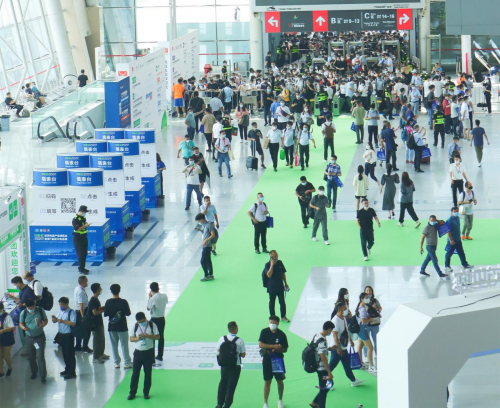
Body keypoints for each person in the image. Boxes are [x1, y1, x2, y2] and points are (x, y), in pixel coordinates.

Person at [328, 302, 365, 387]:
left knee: (347, 365)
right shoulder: (335, 320)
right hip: (337, 349)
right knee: (331, 366)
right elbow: (335, 335)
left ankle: (353, 380)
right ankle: (326, 382)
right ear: (340, 309)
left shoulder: (343, 318)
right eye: (345, 308)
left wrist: (350, 340)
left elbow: (346, 330)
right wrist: (338, 347)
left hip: (343, 347)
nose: (346, 310)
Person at [127, 312, 160, 400]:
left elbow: (158, 337)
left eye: (141, 321)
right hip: (138, 353)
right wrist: (138, 338)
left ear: (145, 318)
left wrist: (148, 336)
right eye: (139, 322)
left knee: (148, 374)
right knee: (135, 374)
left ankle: (146, 393)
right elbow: (131, 339)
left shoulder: (152, 325)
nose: (140, 323)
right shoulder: (135, 326)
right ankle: (132, 392)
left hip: (148, 352)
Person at [258, 316, 289, 408]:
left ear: (278, 323)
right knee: (267, 381)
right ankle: (265, 403)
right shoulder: (264, 332)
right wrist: (273, 346)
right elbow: (260, 344)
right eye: (271, 322)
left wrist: (278, 349)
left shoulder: (282, 334)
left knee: (280, 381)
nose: (272, 324)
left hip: (278, 360)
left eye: (274, 323)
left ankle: (280, 400)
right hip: (267, 360)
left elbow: (285, 349)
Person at [216, 321, 246, 408]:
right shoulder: (239, 340)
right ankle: (227, 405)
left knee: (223, 383)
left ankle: (219, 403)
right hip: (235, 366)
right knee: (231, 387)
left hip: (224, 366)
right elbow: (243, 354)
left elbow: (218, 350)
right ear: (235, 329)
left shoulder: (222, 338)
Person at [104, 284, 132, 369]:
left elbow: (106, 314)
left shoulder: (108, 302)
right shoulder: (123, 302)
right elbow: (128, 313)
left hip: (112, 327)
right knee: (124, 345)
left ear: (111, 291)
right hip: (122, 327)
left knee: (114, 345)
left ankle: (116, 363)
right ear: (119, 290)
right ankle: (127, 362)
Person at [19, 299, 48, 382]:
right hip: (29, 338)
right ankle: (34, 372)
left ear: (34, 305)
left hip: (39, 337)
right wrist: (24, 328)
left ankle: (43, 375)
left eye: (32, 307)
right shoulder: (23, 313)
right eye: (28, 308)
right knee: (31, 356)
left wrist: (42, 324)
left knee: (40, 356)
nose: (30, 309)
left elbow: (46, 320)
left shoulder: (40, 310)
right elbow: (21, 323)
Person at [309, 321, 335, 408]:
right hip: (322, 368)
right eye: (331, 330)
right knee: (324, 389)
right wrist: (329, 372)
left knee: (326, 386)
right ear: (329, 329)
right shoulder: (322, 342)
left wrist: (329, 348)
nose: (331, 332)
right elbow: (323, 358)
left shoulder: (317, 336)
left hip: (317, 366)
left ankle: (314, 402)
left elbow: (318, 349)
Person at [8, 276, 35, 354]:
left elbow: (32, 303)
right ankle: (28, 349)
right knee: (24, 333)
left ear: (19, 283)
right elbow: (21, 300)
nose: (15, 286)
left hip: (28, 315)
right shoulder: (22, 291)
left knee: (29, 333)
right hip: (23, 314)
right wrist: (11, 297)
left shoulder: (28, 291)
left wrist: (22, 305)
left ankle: (32, 350)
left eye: (15, 284)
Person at [52, 297, 77, 380]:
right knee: (64, 353)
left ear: (66, 304)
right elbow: (57, 320)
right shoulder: (61, 311)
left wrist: (62, 321)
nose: (60, 306)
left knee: (70, 354)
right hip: (61, 335)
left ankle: (72, 372)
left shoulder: (71, 312)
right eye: (59, 304)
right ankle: (67, 369)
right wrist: (54, 320)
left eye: (62, 305)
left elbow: (73, 323)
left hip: (68, 335)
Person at [444, 207, 474, 273]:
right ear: (451, 212)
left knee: (461, 253)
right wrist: (451, 240)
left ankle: (465, 264)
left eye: (457, 211)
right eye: (455, 211)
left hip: (458, 239)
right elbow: (448, 231)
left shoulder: (457, 218)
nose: (456, 213)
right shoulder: (449, 220)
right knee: (449, 253)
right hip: (452, 241)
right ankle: (447, 266)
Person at [263, 251, 290, 322]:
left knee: (282, 302)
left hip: (280, 286)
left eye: (277, 256)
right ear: (271, 257)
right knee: (272, 303)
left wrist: (286, 283)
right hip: (272, 288)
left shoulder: (280, 263)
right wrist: (272, 265)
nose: (276, 257)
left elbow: (283, 273)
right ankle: (272, 317)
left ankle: (283, 316)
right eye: (274, 256)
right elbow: (268, 275)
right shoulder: (267, 265)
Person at [146, 282, 168, 363]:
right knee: (161, 337)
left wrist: (149, 298)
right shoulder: (164, 296)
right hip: (162, 318)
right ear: (158, 288)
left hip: (154, 319)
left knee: (152, 337)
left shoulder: (152, 299)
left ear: (151, 290)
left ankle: (152, 356)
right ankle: (160, 355)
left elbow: (148, 308)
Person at [355, 293, 376, 372]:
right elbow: (363, 321)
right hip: (362, 329)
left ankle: (360, 363)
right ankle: (371, 365)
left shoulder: (360, 307)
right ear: (362, 299)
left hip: (360, 330)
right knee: (370, 348)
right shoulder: (362, 309)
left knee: (360, 346)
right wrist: (370, 319)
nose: (368, 299)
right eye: (366, 297)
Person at [88, 283, 109, 363]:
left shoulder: (96, 299)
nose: (101, 290)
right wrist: (104, 310)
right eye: (100, 288)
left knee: (101, 339)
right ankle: (96, 357)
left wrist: (103, 307)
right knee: (97, 340)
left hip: (99, 322)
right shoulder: (93, 301)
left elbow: (98, 309)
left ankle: (101, 354)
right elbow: (95, 312)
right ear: (97, 290)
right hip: (95, 324)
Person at [195, 213, 216, 281]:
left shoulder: (209, 224)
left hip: (207, 245)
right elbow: (206, 233)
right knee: (208, 260)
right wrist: (200, 230)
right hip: (206, 245)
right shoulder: (204, 225)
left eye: (199, 220)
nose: (199, 222)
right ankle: (211, 275)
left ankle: (206, 275)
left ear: (202, 219)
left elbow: (212, 235)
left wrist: (205, 241)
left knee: (202, 261)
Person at [74, 275, 92, 353]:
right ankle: (84, 346)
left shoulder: (78, 288)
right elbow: (81, 304)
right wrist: (83, 316)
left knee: (80, 329)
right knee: (86, 329)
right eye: (86, 281)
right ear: (83, 282)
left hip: (79, 311)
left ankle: (78, 345)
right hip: (82, 312)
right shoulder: (80, 292)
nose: (87, 282)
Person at [363, 286, 382, 357]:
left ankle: (377, 353)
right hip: (367, 323)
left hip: (375, 322)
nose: (368, 292)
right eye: (367, 290)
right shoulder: (363, 301)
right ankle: (366, 355)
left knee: (376, 339)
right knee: (366, 339)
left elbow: (380, 309)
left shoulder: (375, 301)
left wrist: (376, 307)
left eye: (370, 290)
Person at [72, 205, 90, 274]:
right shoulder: (75, 219)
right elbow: (77, 228)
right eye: (84, 212)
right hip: (78, 238)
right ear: (81, 211)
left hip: (84, 236)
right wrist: (85, 226)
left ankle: (83, 267)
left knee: (84, 253)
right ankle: (81, 268)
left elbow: (83, 225)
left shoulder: (83, 218)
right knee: (81, 254)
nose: (85, 213)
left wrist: (86, 225)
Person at [0, 302, 15, 378]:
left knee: (6, 356)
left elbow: (11, 327)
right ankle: (1, 371)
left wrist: (3, 330)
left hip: (7, 338)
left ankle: (10, 367)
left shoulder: (6, 316)